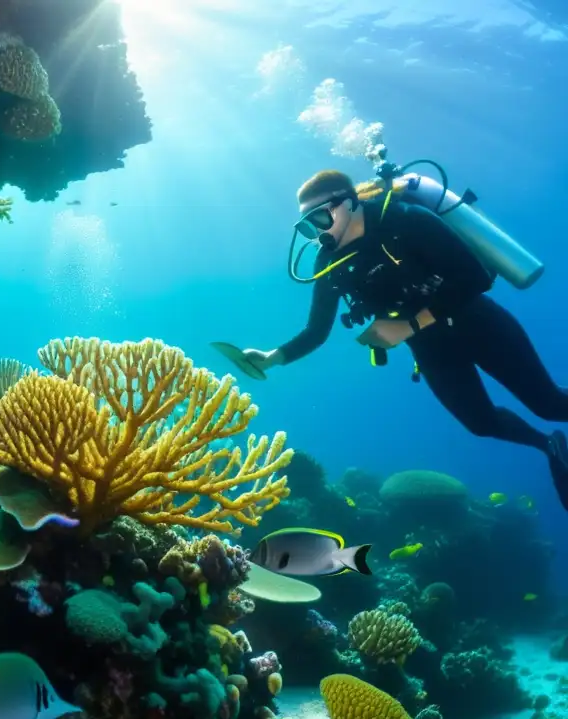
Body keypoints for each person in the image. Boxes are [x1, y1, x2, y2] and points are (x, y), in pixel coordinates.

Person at [241, 169, 568, 510]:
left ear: (350, 203)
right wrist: (272, 357)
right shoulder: (330, 263)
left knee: (549, 404)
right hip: (433, 350)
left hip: (478, 322)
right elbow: (316, 331)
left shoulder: (405, 219)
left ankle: (551, 429)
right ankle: (549, 445)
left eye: (322, 217)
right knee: (480, 423)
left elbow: (474, 278)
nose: (318, 231)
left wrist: (409, 325)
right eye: (309, 225)